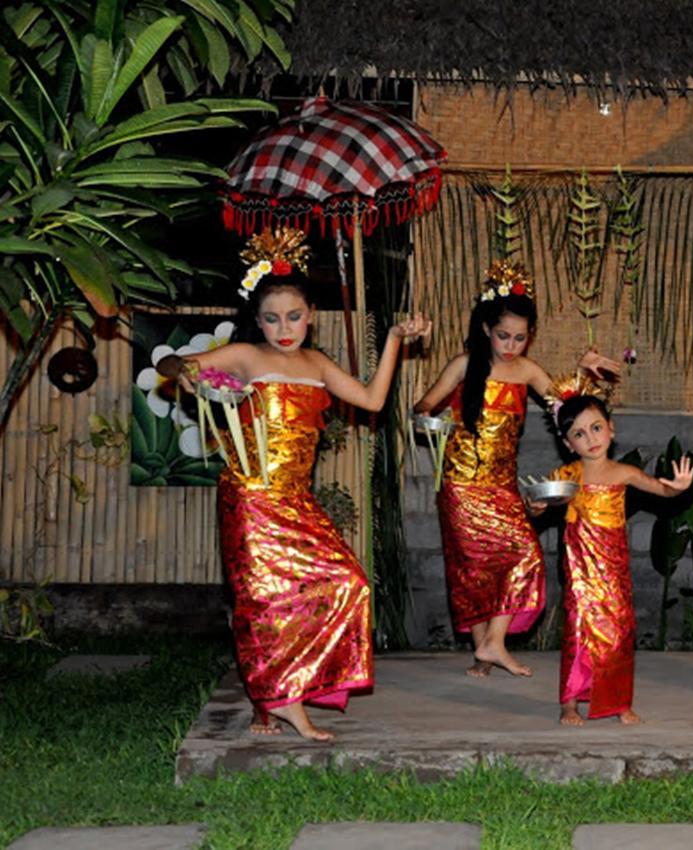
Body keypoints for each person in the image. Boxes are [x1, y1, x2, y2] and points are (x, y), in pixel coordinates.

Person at [159, 227, 430, 741]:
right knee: (265, 600)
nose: (284, 328)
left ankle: (287, 691)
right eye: (271, 318)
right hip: (252, 496)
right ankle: (282, 703)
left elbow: (372, 401)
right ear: (256, 320)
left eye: (294, 316)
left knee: (347, 583)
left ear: (311, 316)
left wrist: (394, 339)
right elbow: (175, 364)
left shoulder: (318, 364)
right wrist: (188, 373)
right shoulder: (245, 355)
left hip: (297, 501)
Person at [414, 262, 621, 678]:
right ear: (487, 329)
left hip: (503, 487)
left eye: (521, 338)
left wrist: (583, 373)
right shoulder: (463, 364)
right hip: (460, 485)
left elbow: (566, 406)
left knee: (523, 557)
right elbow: (422, 407)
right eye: (503, 335)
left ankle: (491, 645)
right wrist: (434, 422)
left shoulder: (526, 371)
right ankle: (485, 652)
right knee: (473, 570)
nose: (511, 345)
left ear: (531, 336)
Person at [531, 377, 693, 725]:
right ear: (568, 443)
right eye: (579, 434)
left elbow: (660, 490)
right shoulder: (567, 475)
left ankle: (618, 701)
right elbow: (538, 508)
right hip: (579, 575)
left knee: (619, 631)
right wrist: (536, 506)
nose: (590, 439)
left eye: (596, 428)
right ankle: (570, 703)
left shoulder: (624, 472)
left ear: (611, 428)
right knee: (577, 630)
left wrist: (677, 488)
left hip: (613, 571)